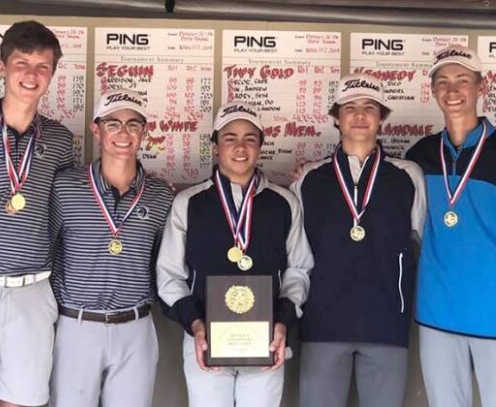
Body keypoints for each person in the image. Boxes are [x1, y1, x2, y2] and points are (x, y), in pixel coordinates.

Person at [156, 101, 313, 407]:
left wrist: (282, 322)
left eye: (250, 139)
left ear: (260, 147)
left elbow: (299, 269)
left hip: (267, 341)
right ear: (215, 146)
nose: (240, 148)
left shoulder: (283, 203)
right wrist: (196, 325)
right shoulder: (190, 203)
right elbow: (169, 275)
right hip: (205, 341)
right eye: (230, 138)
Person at [291, 73, 426, 407]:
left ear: (382, 117)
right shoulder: (309, 178)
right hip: (323, 322)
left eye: (370, 107)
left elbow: (417, 239)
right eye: (350, 107)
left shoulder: (407, 175)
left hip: (386, 323)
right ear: (336, 117)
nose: (360, 115)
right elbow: (297, 251)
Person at [0, 20, 72, 407]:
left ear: (52, 74)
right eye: (22, 62)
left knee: (24, 400)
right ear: (2, 66)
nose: (32, 74)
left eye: (43, 66)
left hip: (32, 289)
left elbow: (65, 205)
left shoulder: (59, 139)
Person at [48, 89, 173, 407]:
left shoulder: (160, 195)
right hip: (76, 325)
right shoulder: (65, 187)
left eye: (133, 124)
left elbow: (166, 262)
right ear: (96, 129)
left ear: (144, 131)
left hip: (136, 326)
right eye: (113, 123)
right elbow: (43, 251)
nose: (123, 133)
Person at [406, 45, 496, 407]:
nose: (452, 89)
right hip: (437, 310)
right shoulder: (420, 155)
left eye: (462, 80)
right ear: (433, 91)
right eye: (442, 81)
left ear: (482, 87)